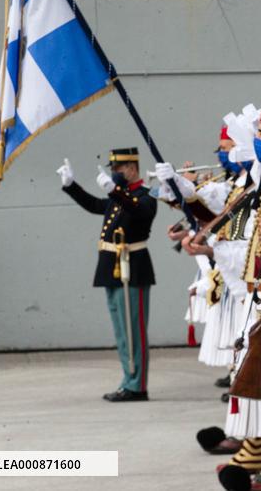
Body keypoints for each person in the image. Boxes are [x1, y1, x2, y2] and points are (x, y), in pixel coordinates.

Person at [58, 147, 157, 401]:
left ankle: (138, 386)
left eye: (119, 169)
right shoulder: (121, 196)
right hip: (112, 267)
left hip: (132, 268)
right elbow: (96, 206)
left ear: (133, 168)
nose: (115, 173)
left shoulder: (145, 196)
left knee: (134, 331)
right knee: (122, 332)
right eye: (113, 169)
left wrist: (115, 191)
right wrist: (71, 186)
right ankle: (128, 380)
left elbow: (139, 212)